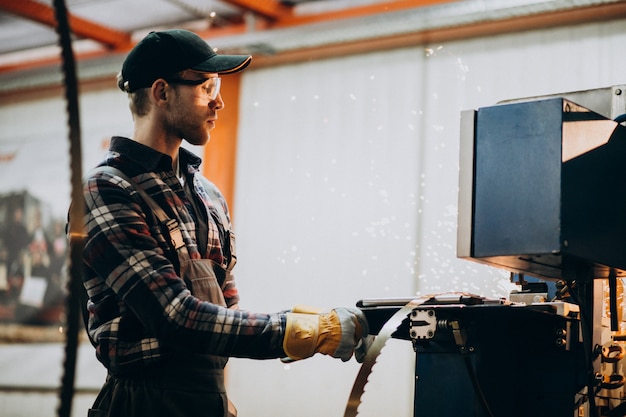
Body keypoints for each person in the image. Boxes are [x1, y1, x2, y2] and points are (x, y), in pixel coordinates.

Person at [77, 29, 369, 417]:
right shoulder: (107, 189)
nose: (220, 101)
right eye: (206, 86)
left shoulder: (207, 195)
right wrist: (297, 332)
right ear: (161, 93)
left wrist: (303, 322)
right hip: (141, 402)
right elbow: (175, 317)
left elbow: (223, 312)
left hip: (205, 399)